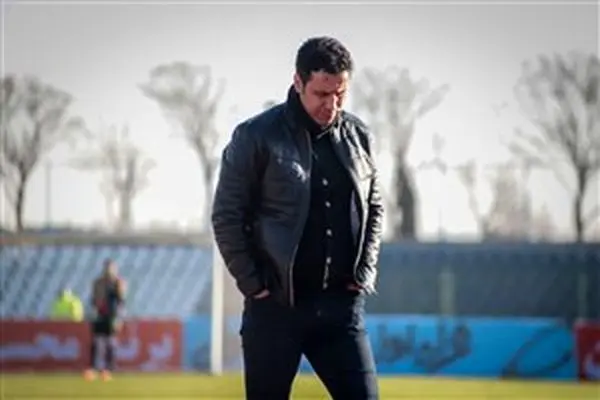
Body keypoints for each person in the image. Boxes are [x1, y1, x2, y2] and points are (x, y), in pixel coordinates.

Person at [211, 36, 384, 400]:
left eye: (340, 94)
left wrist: (364, 271)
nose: (331, 105)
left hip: (340, 310)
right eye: (321, 94)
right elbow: (226, 216)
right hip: (275, 308)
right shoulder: (255, 136)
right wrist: (254, 285)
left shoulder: (359, 136)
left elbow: (374, 206)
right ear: (298, 82)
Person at [83, 258, 126, 381]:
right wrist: (93, 311)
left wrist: (119, 318)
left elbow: (121, 302)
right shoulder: (98, 283)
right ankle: (93, 368)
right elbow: (93, 299)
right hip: (99, 315)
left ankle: (108, 369)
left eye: (111, 268)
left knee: (110, 343)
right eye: (107, 267)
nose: (109, 270)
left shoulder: (118, 283)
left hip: (112, 316)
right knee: (97, 342)